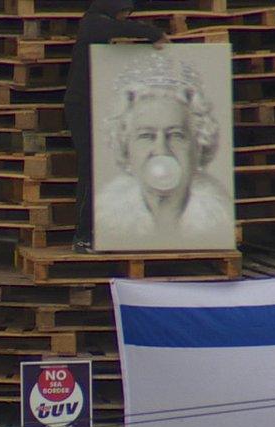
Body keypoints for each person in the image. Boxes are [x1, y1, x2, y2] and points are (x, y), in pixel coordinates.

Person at [94, 53, 234, 251]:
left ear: (199, 145)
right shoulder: (106, 220)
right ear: (126, 148)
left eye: (176, 135)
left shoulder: (222, 219)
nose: (161, 150)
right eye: (146, 136)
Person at [65, 0, 168, 253]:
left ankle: (99, 232)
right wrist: (154, 34)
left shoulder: (98, 26)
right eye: (124, 12)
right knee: (89, 167)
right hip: (81, 106)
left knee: (106, 166)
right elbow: (120, 29)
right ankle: (82, 235)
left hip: (96, 105)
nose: (124, 17)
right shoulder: (92, 24)